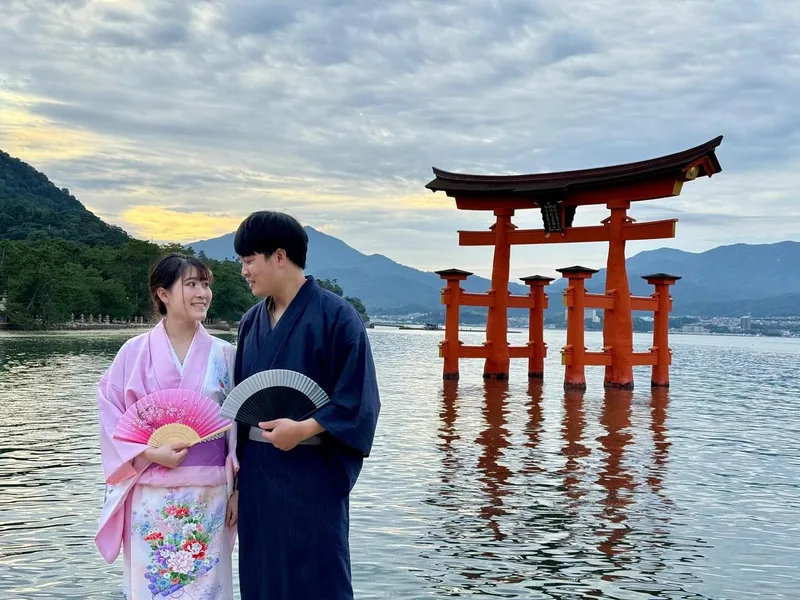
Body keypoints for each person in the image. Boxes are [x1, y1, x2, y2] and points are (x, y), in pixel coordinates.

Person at [233, 211, 380, 599]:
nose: (244, 272)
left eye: (249, 261)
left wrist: (305, 428)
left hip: (312, 474)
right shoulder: (250, 322)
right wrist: (234, 484)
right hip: (259, 478)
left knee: (318, 575)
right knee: (262, 575)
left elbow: (358, 399)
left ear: (279, 256)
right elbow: (239, 404)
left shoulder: (338, 318)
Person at [95, 253, 239, 600]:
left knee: (207, 588)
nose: (202, 293)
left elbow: (239, 427)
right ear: (163, 294)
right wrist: (149, 451)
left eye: (205, 284)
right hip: (151, 495)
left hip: (211, 496)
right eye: (191, 284)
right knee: (153, 587)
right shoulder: (133, 352)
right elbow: (111, 414)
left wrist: (240, 490)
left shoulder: (226, 355)